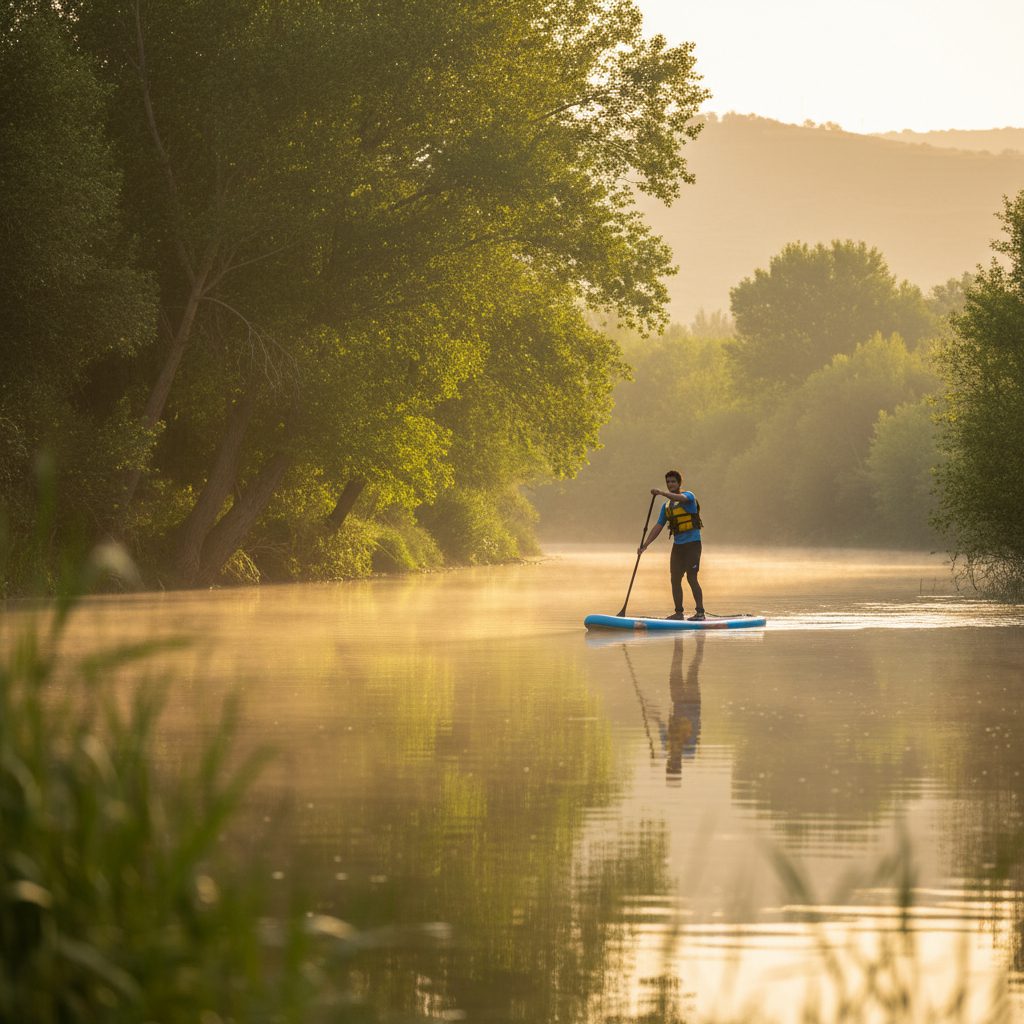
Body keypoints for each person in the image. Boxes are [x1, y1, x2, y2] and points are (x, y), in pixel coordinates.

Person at [638, 469, 705, 621]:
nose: (670, 484)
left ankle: (700, 613)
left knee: (691, 578)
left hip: (693, 544)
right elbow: (658, 526)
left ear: (679, 483)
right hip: (678, 546)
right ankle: (679, 613)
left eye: (673, 481)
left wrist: (661, 492)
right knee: (675, 579)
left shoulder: (689, 496)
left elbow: (680, 497)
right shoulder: (666, 507)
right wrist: (645, 544)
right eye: (668, 482)